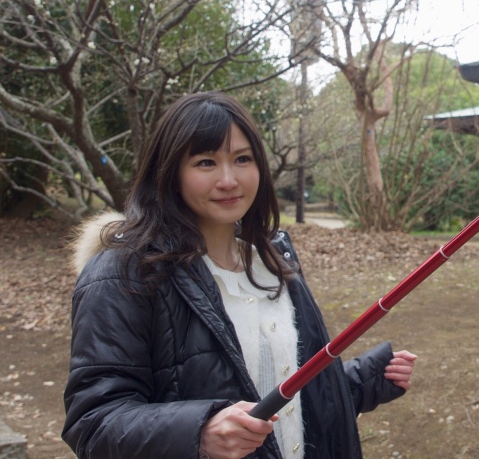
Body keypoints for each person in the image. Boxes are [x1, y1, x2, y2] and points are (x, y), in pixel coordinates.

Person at [62, 92, 417, 459]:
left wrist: (363, 379)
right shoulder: (124, 273)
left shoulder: (272, 261)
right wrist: (200, 433)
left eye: (242, 159)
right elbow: (93, 423)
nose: (229, 180)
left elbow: (284, 393)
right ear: (170, 173)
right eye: (205, 162)